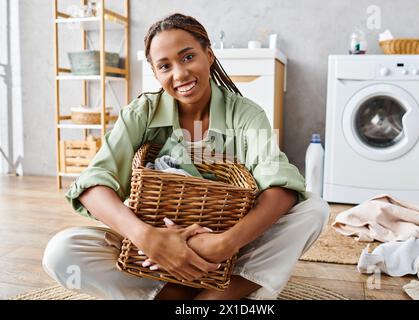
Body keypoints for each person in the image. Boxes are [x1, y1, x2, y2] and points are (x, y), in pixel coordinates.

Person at [42, 13, 329, 300]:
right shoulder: (141, 114)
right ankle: (171, 291)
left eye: (188, 57)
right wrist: (147, 237)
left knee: (314, 209)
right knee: (62, 251)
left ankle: (215, 297)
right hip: (152, 253)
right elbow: (93, 185)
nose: (179, 74)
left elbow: (281, 186)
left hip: (225, 255)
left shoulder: (246, 115)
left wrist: (222, 244)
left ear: (209, 55)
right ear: (155, 73)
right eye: (165, 66)